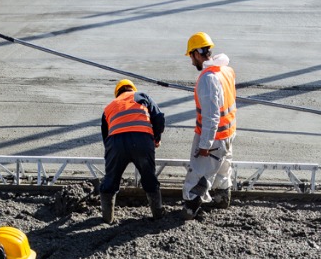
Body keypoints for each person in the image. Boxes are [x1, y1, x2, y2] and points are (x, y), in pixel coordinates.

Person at [182, 31, 236, 221]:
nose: (191, 62)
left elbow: (211, 115)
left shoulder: (207, 78)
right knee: (223, 168)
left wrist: (205, 144)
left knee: (197, 174)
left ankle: (190, 209)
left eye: (191, 56)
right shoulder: (225, 71)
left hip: (214, 137)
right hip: (228, 132)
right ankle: (222, 200)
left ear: (197, 54)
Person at [99, 78, 166, 223]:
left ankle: (107, 219)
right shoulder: (141, 96)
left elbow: (105, 136)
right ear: (132, 89)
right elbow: (159, 118)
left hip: (115, 143)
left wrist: (112, 154)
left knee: (110, 181)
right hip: (141, 140)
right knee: (149, 178)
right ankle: (158, 216)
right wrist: (156, 137)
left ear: (117, 93)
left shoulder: (110, 106)